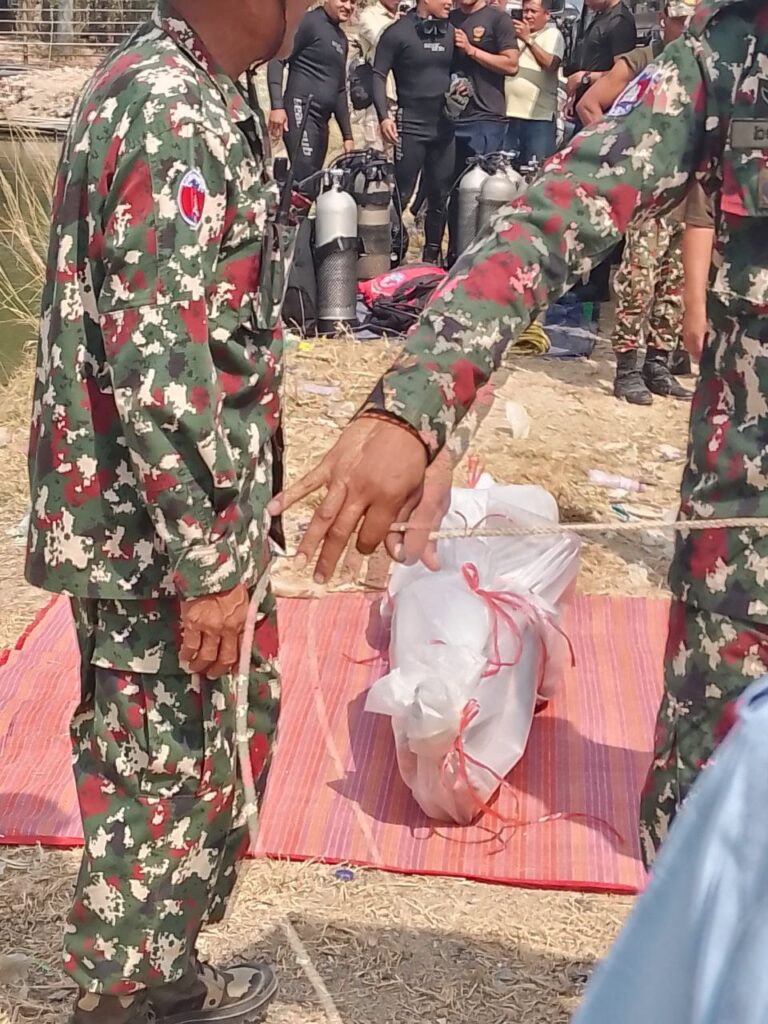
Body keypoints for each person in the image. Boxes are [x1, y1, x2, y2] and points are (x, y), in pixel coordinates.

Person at [268, 0, 768, 873]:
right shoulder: (735, 52)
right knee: (706, 851)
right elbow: (554, 215)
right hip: (746, 569)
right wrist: (415, 407)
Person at [24, 1, 315, 1021]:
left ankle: (164, 974)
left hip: (169, 514)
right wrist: (208, 561)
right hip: (152, 527)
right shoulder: (167, 107)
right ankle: (123, 1001)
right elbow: (158, 358)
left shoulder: (191, 87)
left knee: (196, 760)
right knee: (159, 776)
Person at [578, 0, 707, 405]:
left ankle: (658, 364)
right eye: (679, 21)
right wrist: (622, 158)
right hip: (649, 192)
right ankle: (627, 368)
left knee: (674, 282)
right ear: (664, 19)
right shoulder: (643, 61)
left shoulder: (703, 66)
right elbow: (589, 104)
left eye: (692, 22)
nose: (686, 30)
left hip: (689, 192)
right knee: (638, 279)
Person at [373, 0, 456, 263]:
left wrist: (463, 89)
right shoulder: (398, 32)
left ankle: (431, 260)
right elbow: (378, 74)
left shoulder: (451, 32)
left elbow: (462, 72)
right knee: (402, 194)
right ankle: (390, 255)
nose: (450, 2)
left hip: (444, 129)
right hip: (410, 126)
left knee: (439, 195)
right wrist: (384, 117)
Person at [446, 0, 519, 262]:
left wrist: (471, 50)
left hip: (487, 119)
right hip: (452, 119)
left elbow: (511, 65)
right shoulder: (449, 18)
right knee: (453, 196)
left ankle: (483, 261)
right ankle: (453, 259)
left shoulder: (498, 19)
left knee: (483, 195)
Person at [268, 0, 354, 196]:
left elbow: (340, 89)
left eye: (353, 2)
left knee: (313, 183)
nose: (348, 6)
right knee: (303, 176)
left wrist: (347, 135)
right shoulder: (308, 22)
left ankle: (289, 213)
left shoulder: (341, 39)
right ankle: (284, 213)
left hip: (321, 121)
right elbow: (277, 59)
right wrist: (277, 106)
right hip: (300, 108)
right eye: (343, 0)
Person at [504, 0, 565, 164]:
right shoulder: (513, 35)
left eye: (533, 11)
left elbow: (550, 65)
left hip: (539, 118)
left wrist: (528, 39)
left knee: (537, 169)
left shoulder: (553, 34)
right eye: (525, 11)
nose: (528, 16)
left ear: (546, 15)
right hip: (509, 116)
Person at [564, 0, 637, 129]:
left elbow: (624, 75)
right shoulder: (600, 16)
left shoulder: (619, 21)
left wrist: (585, 77)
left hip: (602, 111)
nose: (586, 3)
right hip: (584, 106)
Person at [352, 0, 399, 150]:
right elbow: (386, 43)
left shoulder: (404, 17)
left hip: (402, 97)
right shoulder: (369, 16)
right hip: (379, 98)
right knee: (376, 155)